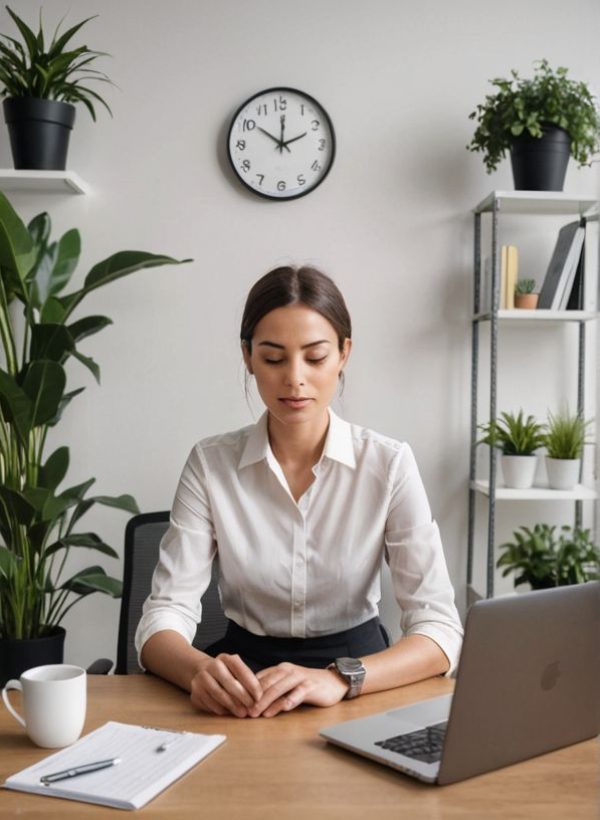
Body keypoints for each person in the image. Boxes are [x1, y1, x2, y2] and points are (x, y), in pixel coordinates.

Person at [135, 265, 463, 719]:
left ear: (344, 354)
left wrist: (339, 678)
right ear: (248, 357)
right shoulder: (211, 464)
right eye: (273, 359)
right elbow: (163, 616)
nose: (294, 379)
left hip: (359, 679)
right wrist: (198, 672)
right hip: (244, 687)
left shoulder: (387, 464)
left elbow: (440, 630)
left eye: (315, 357)